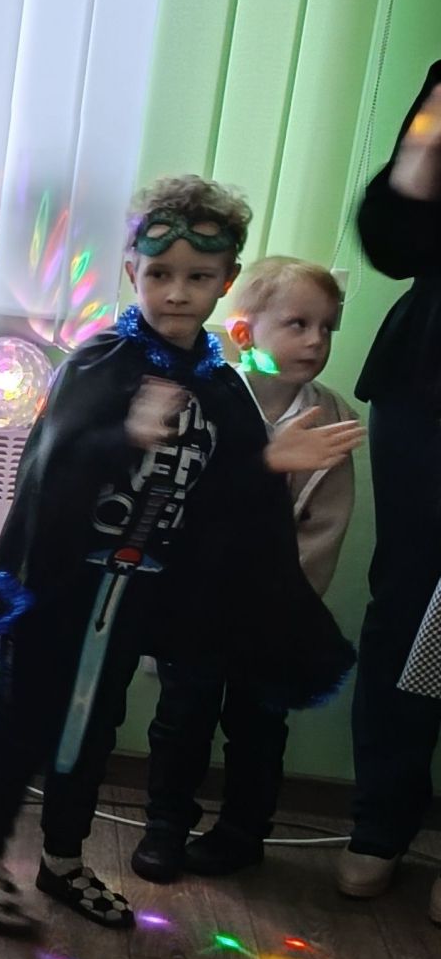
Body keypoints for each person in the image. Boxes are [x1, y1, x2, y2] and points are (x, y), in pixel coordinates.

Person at [0, 178, 358, 938]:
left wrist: (268, 462)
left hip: (135, 599)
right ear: (130, 270)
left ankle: (63, 861)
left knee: (93, 727)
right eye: (160, 273)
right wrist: (125, 437)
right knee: (25, 723)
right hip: (60, 591)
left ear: (226, 282)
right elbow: (51, 472)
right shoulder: (103, 361)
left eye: (198, 276)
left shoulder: (218, 382)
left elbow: (218, 495)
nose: (177, 292)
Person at [135, 256, 358, 879]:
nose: (315, 341)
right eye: (297, 324)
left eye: (326, 327)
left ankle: (241, 832)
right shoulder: (205, 399)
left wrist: (288, 602)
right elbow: (178, 498)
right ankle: (165, 826)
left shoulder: (330, 417)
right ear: (243, 332)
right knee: (182, 719)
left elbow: (326, 527)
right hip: (198, 603)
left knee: (260, 726)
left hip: (274, 612)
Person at [344, 64, 441, 909]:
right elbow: (392, 244)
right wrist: (421, 158)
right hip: (428, 383)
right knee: (406, 606)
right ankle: (381, 822)